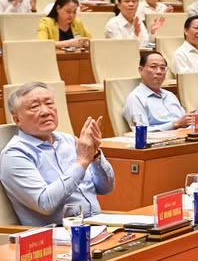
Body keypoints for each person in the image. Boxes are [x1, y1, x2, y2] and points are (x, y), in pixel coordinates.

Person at [0, 82, 113, 226]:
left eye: (49, 103)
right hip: (56, 236)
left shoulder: (69, 140)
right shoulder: (15, 155)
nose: (46, 111)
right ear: (17, 119)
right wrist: (83, 161)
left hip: (99, 224)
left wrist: (95, 156)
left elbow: (106, 188)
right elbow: (45, 204)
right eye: (34, 107)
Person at [123, 52, 194, 131]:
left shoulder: (170, 95)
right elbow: (141, 131)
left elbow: (184, 123)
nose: (159, 72)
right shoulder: (136, 98)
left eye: (163, 68)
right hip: (159, 141)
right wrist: (174, 125)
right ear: (141, 70)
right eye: (153, 67)